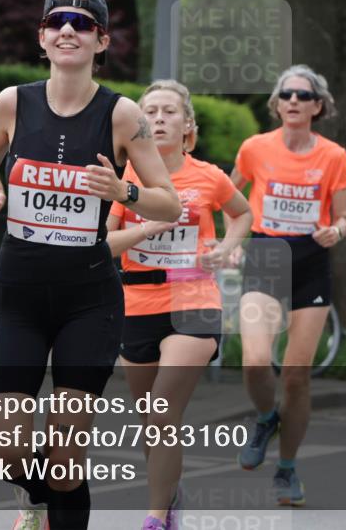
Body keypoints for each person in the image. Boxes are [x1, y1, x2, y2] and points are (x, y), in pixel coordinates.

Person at [0, 0, 181, 530]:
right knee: (5, 449)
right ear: (42, 37)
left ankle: (55, 502)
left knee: (66, 458)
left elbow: (169, 203)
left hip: (89, 300)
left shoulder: (122, 114)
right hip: (17, 295)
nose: (68, 30)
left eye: (82, 24)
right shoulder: (12, 102)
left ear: (100, 40)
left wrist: (123, 193)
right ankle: (37, 500)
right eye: (57, 21)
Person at [105, 80, 252, 530]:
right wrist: (145, 230)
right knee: (150, 418)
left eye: (171, 112)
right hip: (136, 301)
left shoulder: (209, 176)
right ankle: (168, 498)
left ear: (188, 125)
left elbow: (242, 213)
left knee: (163, 408)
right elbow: (104, 244)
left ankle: (153, 517)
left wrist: (228, 246)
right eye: (151, 111)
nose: (161, 118)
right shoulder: (126, 179)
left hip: (194, 300)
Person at [230, 65, 346, 507]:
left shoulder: (333, 156)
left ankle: (287, 469)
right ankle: (265, 418)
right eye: (286, 94)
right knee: (256, 360)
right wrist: (234, 241)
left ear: (318, 106)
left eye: (303, 95)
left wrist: (335, 233)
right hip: (264, 254)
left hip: (310, 261)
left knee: (297, 376)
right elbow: (227, 196)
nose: (294, 100)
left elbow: (343, 218)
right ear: (277, 104)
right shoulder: (254, 149)